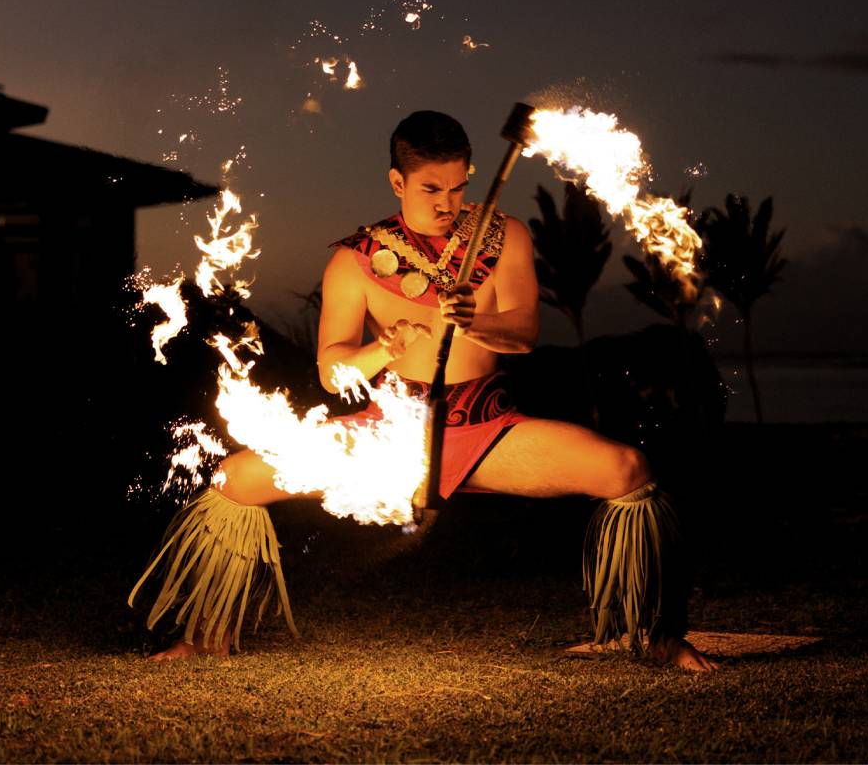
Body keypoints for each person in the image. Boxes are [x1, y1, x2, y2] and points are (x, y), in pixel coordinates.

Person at [129, 110, 716, 671]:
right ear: (397, 181)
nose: (447, 204)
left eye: (459, 188)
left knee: (626, 468)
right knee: (237, 479)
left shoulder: (503, 236)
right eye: (432, 189)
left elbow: (525, 331)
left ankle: (659, 637)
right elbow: (333, 370)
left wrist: (475, 320)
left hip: (486, 427)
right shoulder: (354, 261)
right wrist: (383, 349)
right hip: (392, 433)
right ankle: (206, 636)